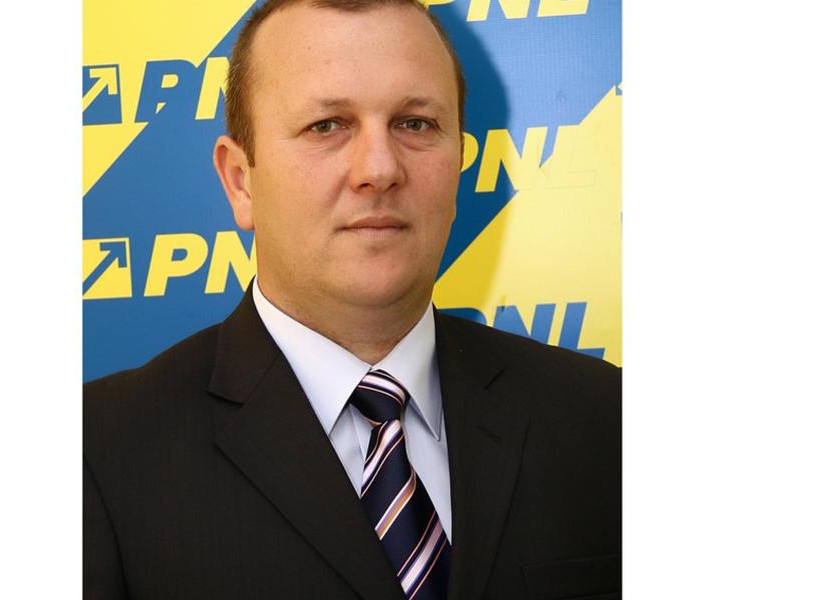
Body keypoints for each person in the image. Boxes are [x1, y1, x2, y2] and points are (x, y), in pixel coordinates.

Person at [83, 1, 620, 598]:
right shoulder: (95, 455)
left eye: (415, 123)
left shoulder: (606, 419)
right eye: (327, 126)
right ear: (240, 181)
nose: (379, 168)